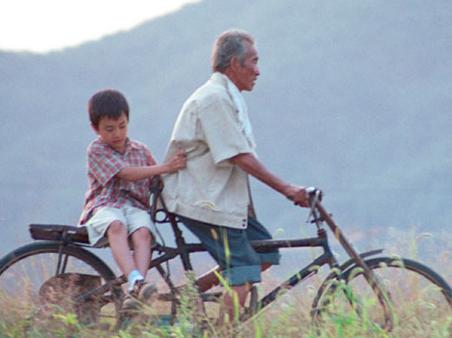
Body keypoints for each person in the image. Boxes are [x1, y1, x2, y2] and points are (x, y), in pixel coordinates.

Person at [161, 29, 309, 322]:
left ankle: (190, 292)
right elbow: (238, 155)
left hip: (222, 200)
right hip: (203, 200)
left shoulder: (228, 97)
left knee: (264, 253)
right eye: (253, 62)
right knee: (241, 272)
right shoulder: (214, 98)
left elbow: (240, 155)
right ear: (234, 65)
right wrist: (286, 188)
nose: (257, 70)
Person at [79, 89, 186, 305]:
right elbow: (125, 172)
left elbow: (156, 181)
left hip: (135, 208)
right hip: (105, 206)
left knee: (143, 232)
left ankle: (137, 290)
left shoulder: (141, 150)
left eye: (122, 126)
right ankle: (136, 281)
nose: (117, 133)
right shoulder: (97, 149)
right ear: (95, 128)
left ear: (128, 121)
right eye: (109, 129)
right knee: (116, 225)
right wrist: (166, 167)